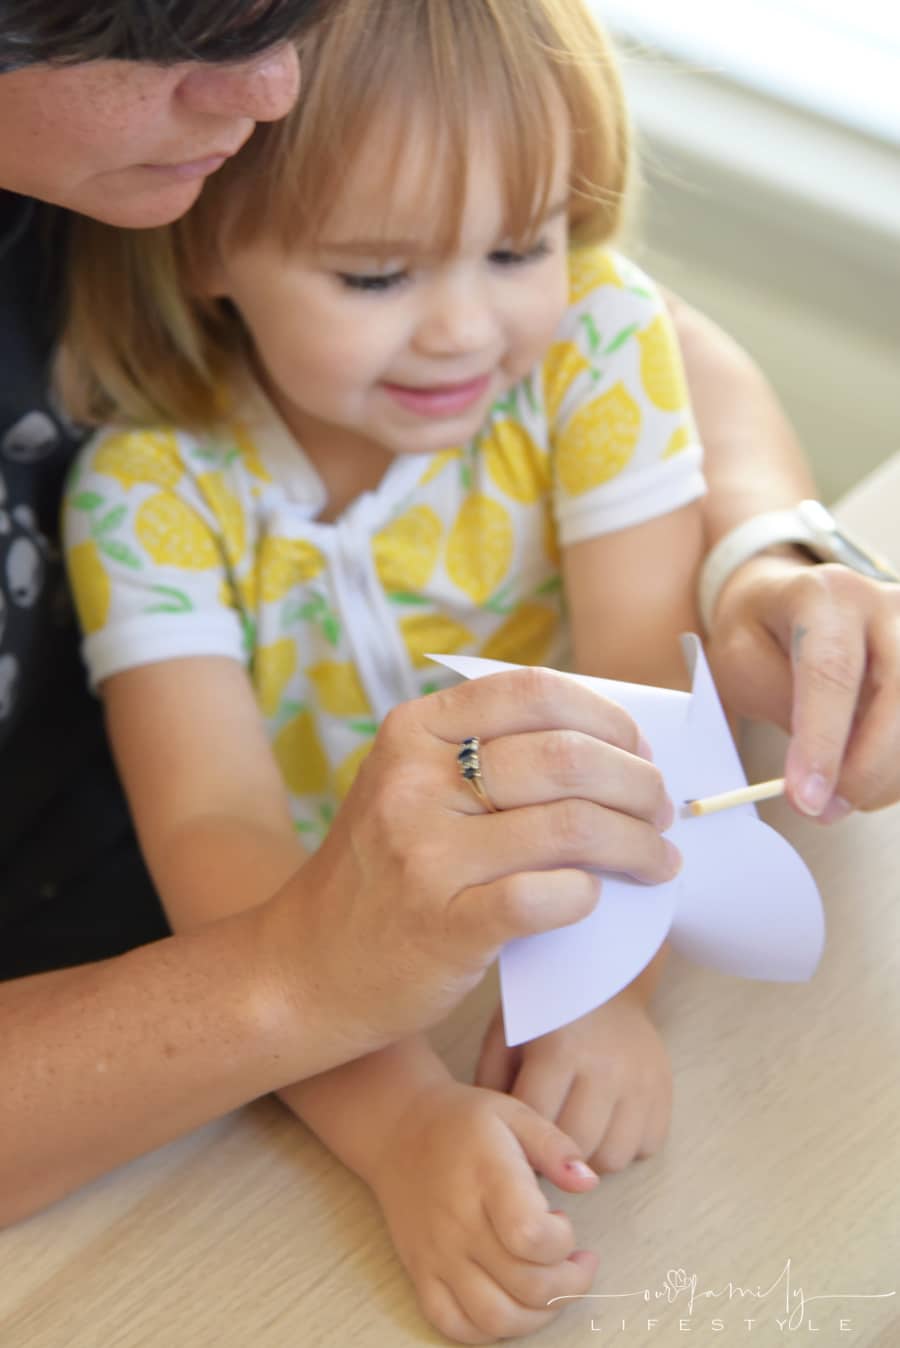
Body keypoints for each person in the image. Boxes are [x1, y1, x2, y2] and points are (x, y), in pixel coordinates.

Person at [1, 0, 897, 1334]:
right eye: (375, 277)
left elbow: (636, 694)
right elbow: (226, 854)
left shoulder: (587, 352)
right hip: (285, 999)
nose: (465, 332)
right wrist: (404, 1127)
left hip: (521, 935)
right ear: (199, 245)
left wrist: (599, 993)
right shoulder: (148, 499)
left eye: (520, 246)